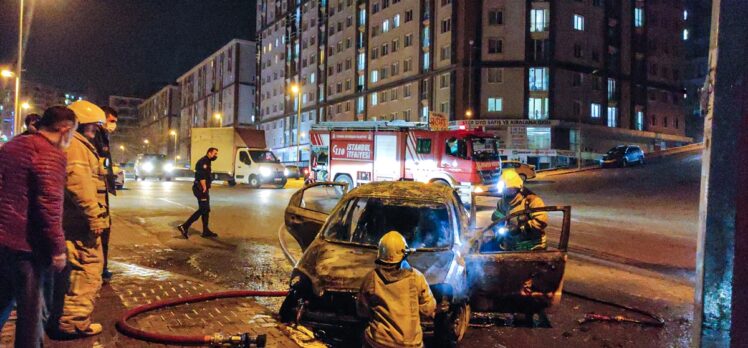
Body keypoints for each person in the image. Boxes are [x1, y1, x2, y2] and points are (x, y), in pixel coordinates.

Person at [0, 106, 77, 347]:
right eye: (73, 133)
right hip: (27, 247)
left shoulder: (13, 145)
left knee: (2, 302)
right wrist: (57, 249)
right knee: (31, 316)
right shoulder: (49, 153)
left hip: (2, 241)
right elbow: (49, 205)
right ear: (64, 129)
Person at [51, 100, 110, 337]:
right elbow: (78, 184)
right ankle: (73, 323)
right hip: (81, 224)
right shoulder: (76, 146)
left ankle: (64, 319)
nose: (96, 132)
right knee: (87, 270)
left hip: (74, 221)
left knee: (74, 271)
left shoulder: (75, 144)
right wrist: (94, 218)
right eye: (94, 127)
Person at [356, 231, 436, 348]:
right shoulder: (417, 278)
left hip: (379, 342)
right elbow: (428, 309)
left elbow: (362, 310)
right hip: (411, 344)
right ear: (404, 254)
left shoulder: (371, 278)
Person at [489, 170, 548, 251]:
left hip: (534, 246)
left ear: (517, 188)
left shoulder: (532, 201)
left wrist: (520, 229)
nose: (506, 191)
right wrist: (499, 226)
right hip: (513, 246)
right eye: (504, 188)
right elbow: (497, 219)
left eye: (509, 188)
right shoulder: (502, 203)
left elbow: (541, 222)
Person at [177, 148, 219, 239]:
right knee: (203, 209)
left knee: (206, 210)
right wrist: (204, 187)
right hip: (200, 189)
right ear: (209, 153)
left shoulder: (207, 161)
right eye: (215, 154)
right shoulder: (203, 162)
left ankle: (206, 231)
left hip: (203, 189)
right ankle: (184, 226)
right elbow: (201, 176)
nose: (216, 156)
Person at [98, 106, 118, 281]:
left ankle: (102, 267)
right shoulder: (95, 136)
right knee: (102, 229)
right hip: (97, 191)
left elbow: (105, 163)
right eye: (112, 120)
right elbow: (101, 165)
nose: (114, 125)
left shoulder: (103, 136)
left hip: (102, 188)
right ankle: (101, 269)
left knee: (105, 229)